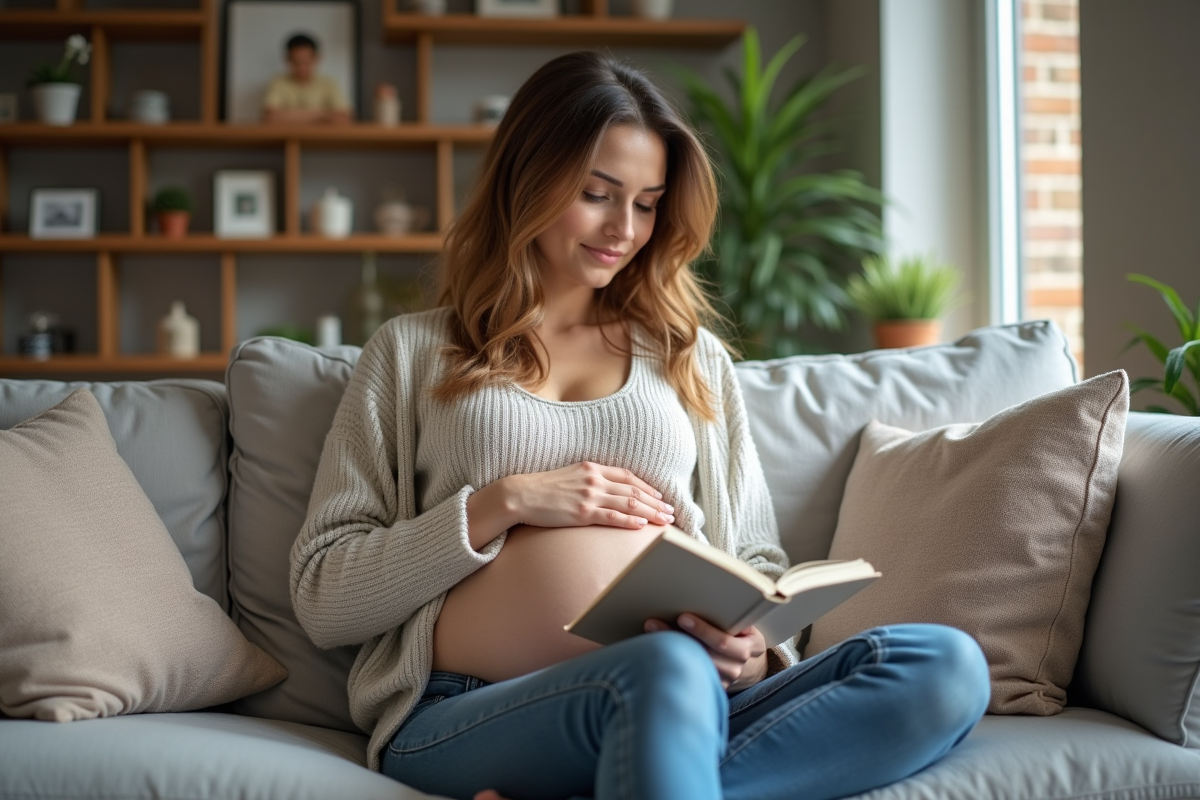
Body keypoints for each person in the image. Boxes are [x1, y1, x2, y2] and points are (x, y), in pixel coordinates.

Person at [290, 51, 991, 800]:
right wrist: (507, 502)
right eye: (598, 194)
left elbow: (753, 556)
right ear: (527, 179)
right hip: (465, 712)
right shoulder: (410, 354)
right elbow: (324, 594)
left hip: (696, 696)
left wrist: (754, 652)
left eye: (649, 203)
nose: (624, 228)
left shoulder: (690, 358)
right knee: (657, 671)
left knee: (945, 666)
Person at [261, 33, 351, 124]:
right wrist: (322, 114)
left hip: (322, 138)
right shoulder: (278, 82)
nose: (302, 68)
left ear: (317, 58)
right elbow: (269, 117)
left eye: (306, 62)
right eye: (296, 62)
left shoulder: (329, 83)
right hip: (288, 137)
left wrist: (288, 116)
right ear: (287, 59)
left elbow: (344, 117)